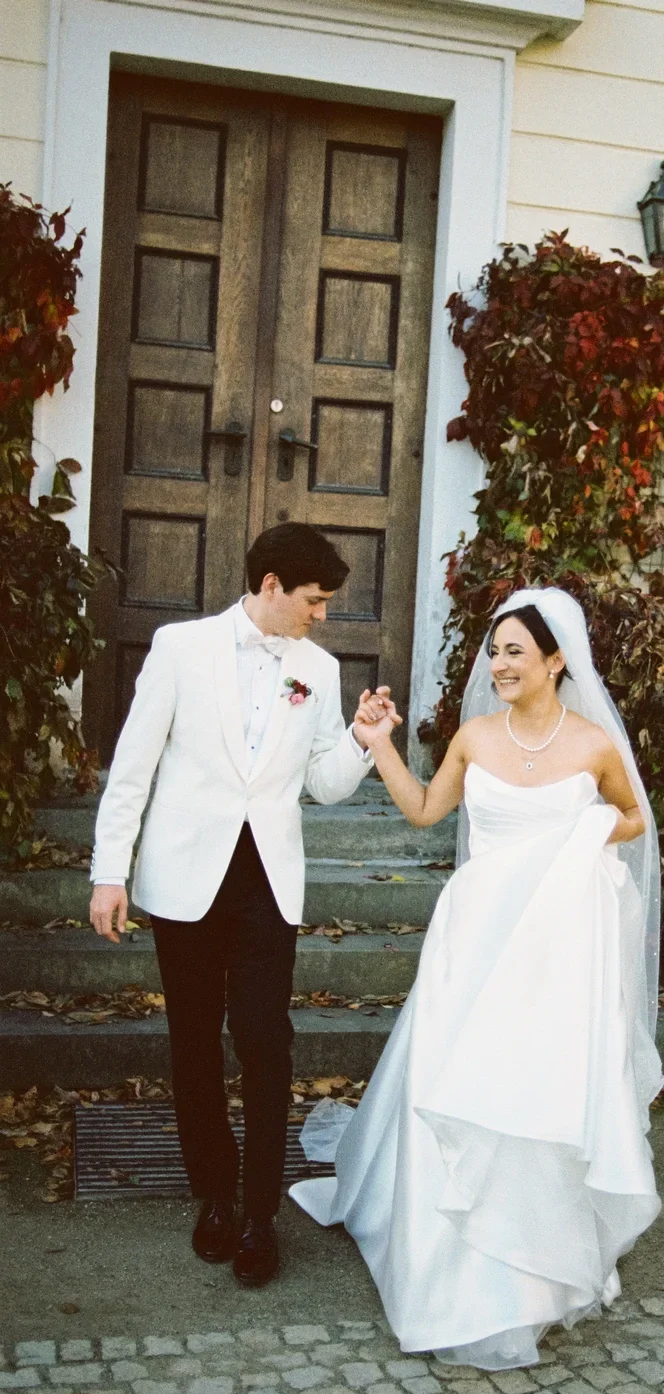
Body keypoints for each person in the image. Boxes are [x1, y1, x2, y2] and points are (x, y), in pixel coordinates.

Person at [291, 587, 663, 1368]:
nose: (497, 665)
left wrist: (578, 840)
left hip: (553, 949)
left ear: (556, 661)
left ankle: (537, 1251)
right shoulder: (474, 737)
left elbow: (630, 820)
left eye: (514, 652)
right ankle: (443, 1259)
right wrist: (380, 743)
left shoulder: (594, 745)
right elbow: (427, 811)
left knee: (532, 1084)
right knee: (458, 1078)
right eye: (493, 652)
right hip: (474, 940)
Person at [88, 522, 395, 1287]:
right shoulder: (180, 648)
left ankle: (262, 1214)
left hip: (265, 878)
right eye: (314, 600)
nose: (322, 614)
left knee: (265, 1039)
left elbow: (320, 784)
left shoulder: (317, 671)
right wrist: (109, 871)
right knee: (193, 1040)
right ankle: (215, 1197)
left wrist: (360, 741)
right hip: (185, 874)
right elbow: (134, 764)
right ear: (269, 587)